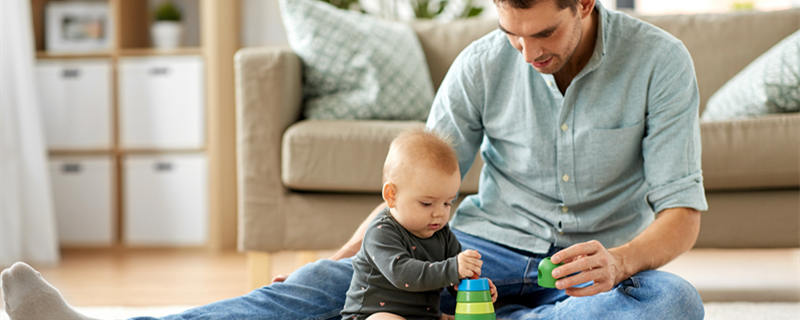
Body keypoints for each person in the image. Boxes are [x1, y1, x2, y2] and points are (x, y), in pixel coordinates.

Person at [1, 0, 707, 319]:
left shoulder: (659, 63)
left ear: (585, 5)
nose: (527, 52)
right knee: (323, 284)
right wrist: (353, 250)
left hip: (585, 270)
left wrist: (619, 263)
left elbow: (680, 214)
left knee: (673, 304)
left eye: (543, 32)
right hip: (471, 254)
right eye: (510, 33)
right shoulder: (482, 63)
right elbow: (418, 189)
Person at [341, 129, 497, 320]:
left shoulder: (443, 236)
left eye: (447, 203)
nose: (439, 213)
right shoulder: (381, 232)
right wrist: (453, 268)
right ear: (392, 196)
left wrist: (474, 286)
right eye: (426, 203)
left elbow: (453, 281)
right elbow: (403, 275)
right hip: (370, 315)